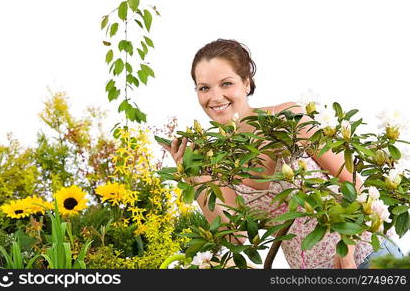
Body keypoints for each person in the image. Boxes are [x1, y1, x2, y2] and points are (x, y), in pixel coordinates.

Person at [158, 38, 404, 268]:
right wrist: (194, 177)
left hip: (367, 256)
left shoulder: (287, 118)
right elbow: (234, 236)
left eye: (226, 83)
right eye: (204, 88)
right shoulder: (218, 158)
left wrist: (346, 247)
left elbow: (351, 181)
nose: (214, 97)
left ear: (246, 82)